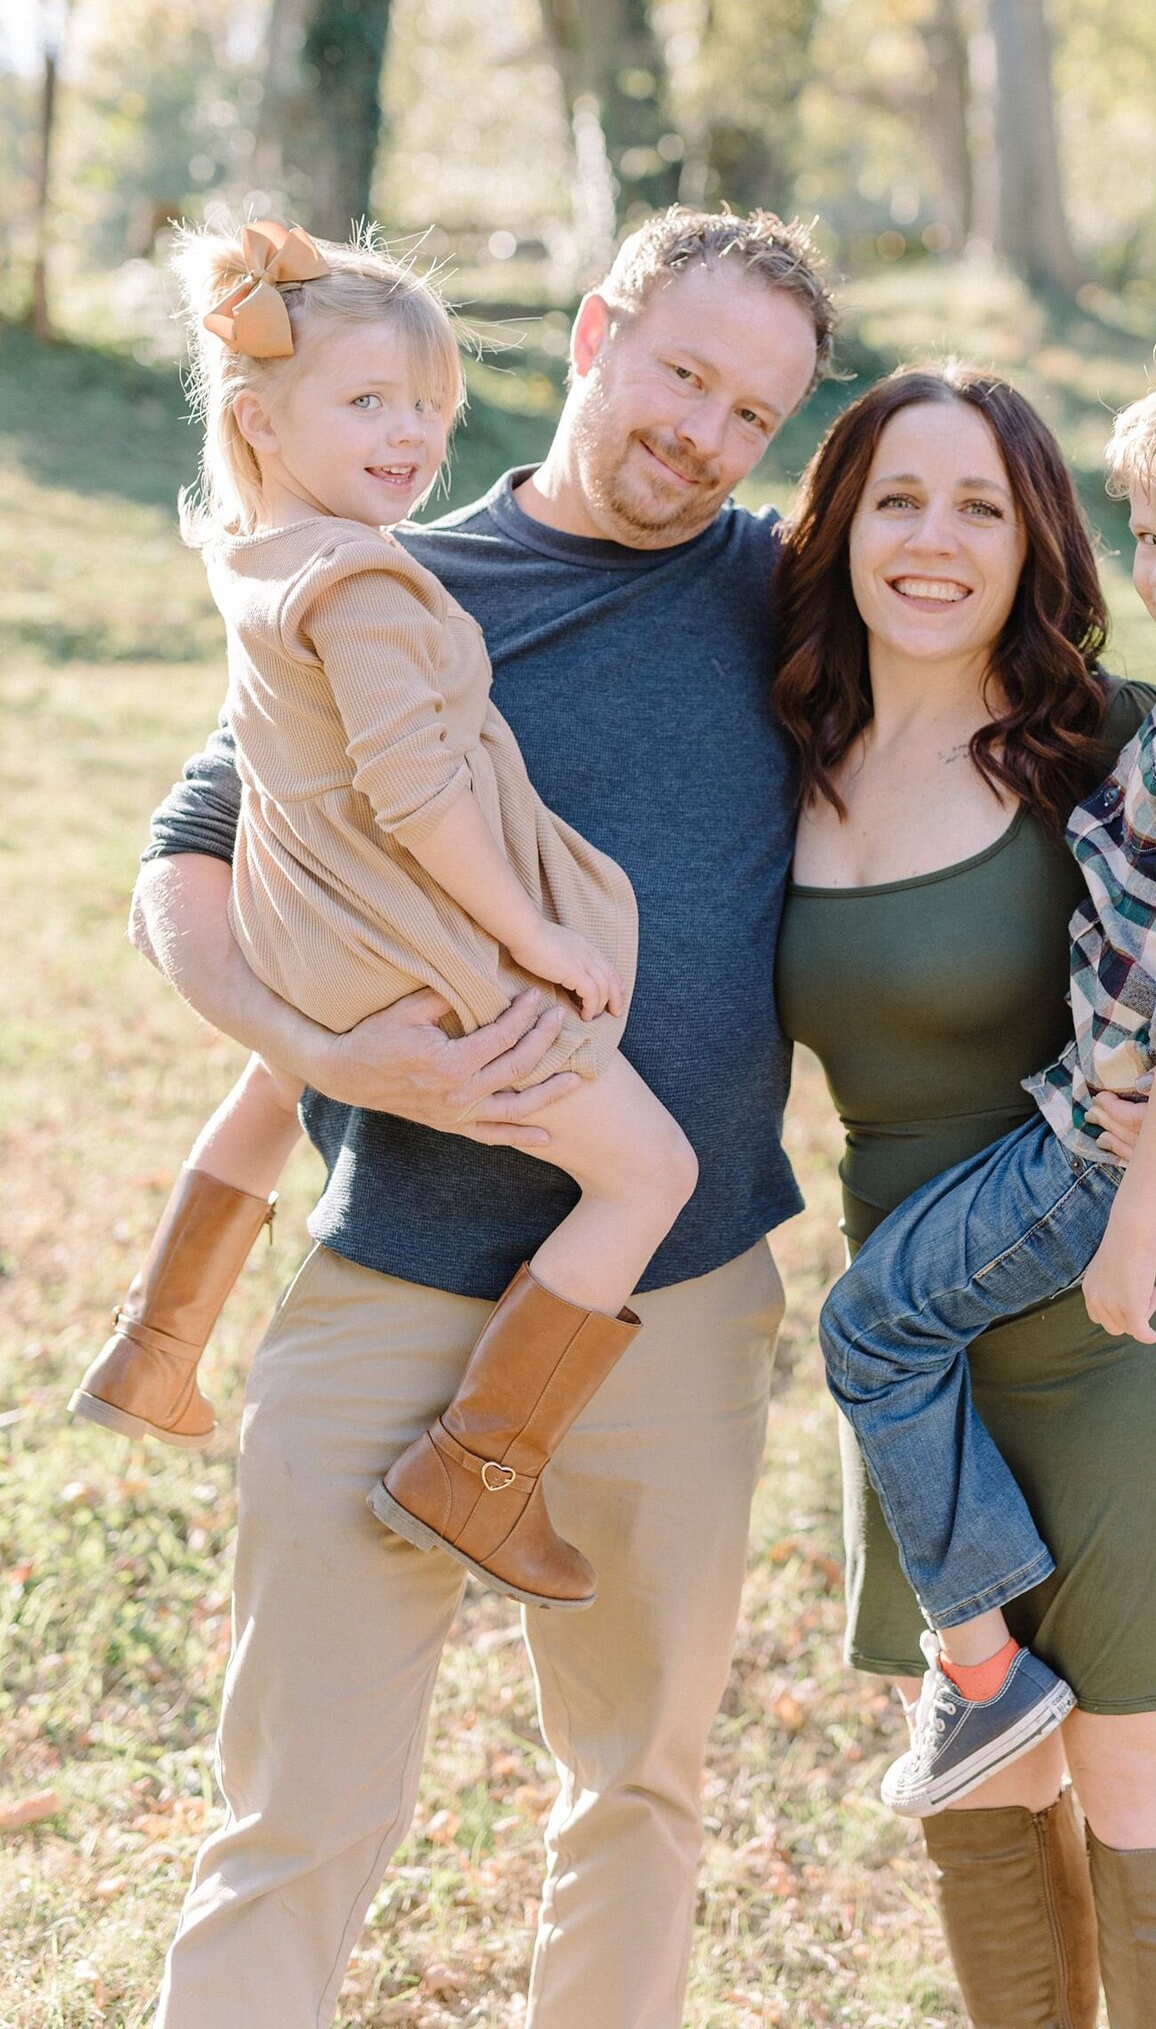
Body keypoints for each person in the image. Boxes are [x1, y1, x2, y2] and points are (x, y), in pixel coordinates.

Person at [125, 207, 830, 2029]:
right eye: (682, 371)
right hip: (398, 1274)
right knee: (292, 1816)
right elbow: (183, 867)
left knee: (640, 1797)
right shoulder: (383, 575)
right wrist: (339, 1057)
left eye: (751, 411)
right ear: (596, 336)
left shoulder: (786, 602)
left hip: (670, 1296)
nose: (704, 431)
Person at [774, 364, 1156, 2026]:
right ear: (837, 524)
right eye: (899, 497)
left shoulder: (1120, 734)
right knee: (980, 1783)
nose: (934, 539)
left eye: (982, 504)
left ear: (1034, 539)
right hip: (925, 1331)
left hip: (1135, 1313)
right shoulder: (783, 745)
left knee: (1133, 1761)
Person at [74, 218, 698, 1609]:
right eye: (367, 403)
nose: (411, 434)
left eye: (429, 405)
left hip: (307, 924)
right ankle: (476, 1468)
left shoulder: (267, 558)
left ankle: (156, 1341)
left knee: (272, 1068)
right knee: (651, 1172)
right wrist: (537, 940)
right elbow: (417, 801)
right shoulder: (360, 580)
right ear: (258, 419)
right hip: (395, 931)